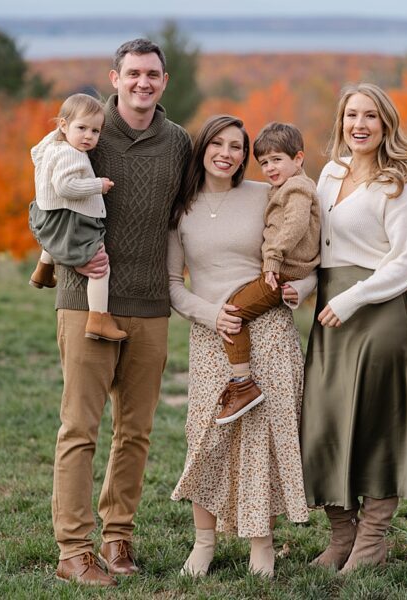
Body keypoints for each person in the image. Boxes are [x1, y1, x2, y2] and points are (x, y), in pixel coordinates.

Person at [51, 39, 191, 587]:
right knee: (79, 428)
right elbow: (43, 206)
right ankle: (73, 549)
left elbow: (187, 215)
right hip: (85, 302)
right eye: (132, 73)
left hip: (151, 304)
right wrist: (73, 257)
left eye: (152, 74)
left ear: (164, 80)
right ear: (114, 77)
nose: (142, 83)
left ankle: (117, 537)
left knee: (135, 431)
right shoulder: (83, 130)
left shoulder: (177, 141)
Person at [300, 82, 407, 574]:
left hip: (381, 313)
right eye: (352, 115)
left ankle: (373, 540)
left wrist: (354, 297)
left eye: (371, 117)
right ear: (340, 121)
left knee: (379, 426)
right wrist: (300, 288)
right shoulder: (329, 173)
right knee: (325, 424)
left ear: (386, 126)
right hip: (330, 312)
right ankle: (343, 536)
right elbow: (319, 245)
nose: (359, 125)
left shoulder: (398, 183)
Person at [168, 115, 310, 579]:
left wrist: (301, 290)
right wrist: (211, 314)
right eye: (218, 144)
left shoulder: (265, 194)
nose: (227, 154)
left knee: (260, 438)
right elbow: (173, 285)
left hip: (268, 330)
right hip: (213, 335)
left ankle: (261, 546)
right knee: (205, 437)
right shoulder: (181, 207)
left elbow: (307, 255)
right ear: (203, 148)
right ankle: (203, 543)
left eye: (236, 146)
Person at [214, 121, 320, 426]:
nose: (270, 168)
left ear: (298, 158)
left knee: (232, 312)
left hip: (283, 273)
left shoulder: (298, 187)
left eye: (277, 160)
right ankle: (242, 382)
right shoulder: (282, 188)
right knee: (234, 308)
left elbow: (296, 225)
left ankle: (242, 384)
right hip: (283, 273)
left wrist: (273, 257)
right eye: (263, 163)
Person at [28, 93, 126, 342]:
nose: (88, 136)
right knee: (100, 266)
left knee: (54, 238)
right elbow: (66, 187)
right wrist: (97, 185)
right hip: (71, 216)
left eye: (95, 131)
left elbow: (35, 152)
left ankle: (42, 270)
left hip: (49, 212)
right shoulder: (71, 154)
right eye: (81, 128)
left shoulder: (52, 145)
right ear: (63, 125)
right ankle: (99, 318)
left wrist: (56, 135)